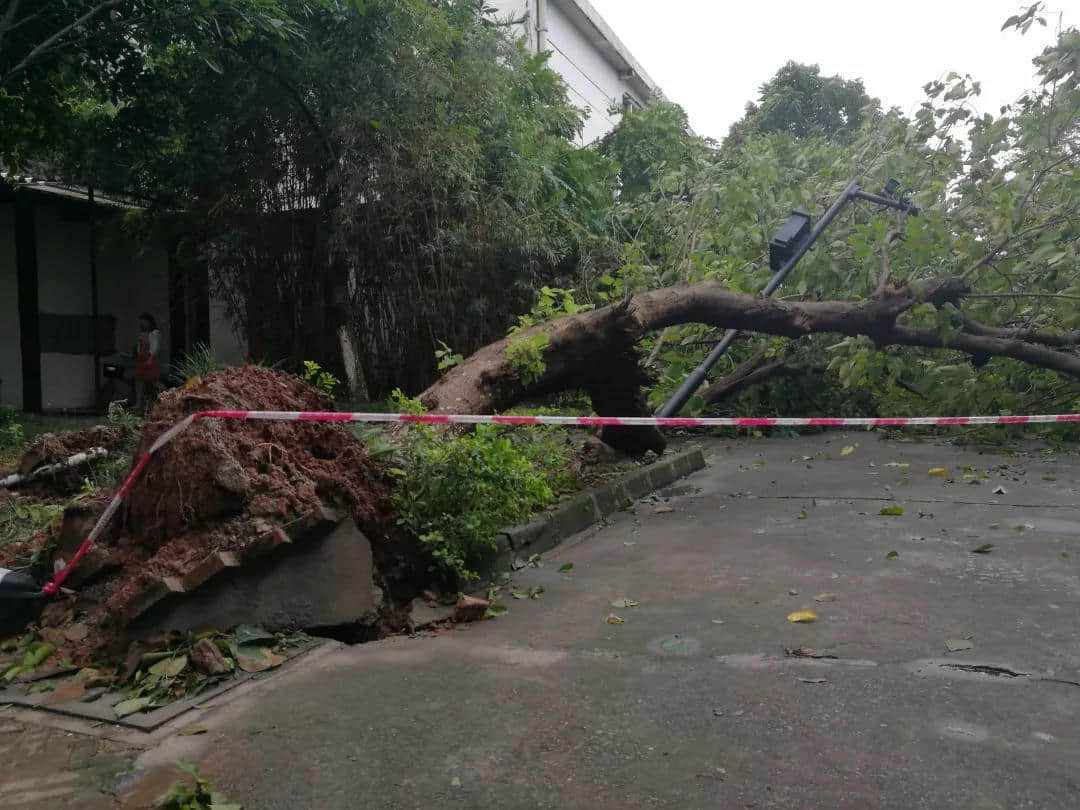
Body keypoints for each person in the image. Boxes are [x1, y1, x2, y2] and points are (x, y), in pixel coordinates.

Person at [133, 312, 161, 413]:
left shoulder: (155, 333)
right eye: (141, 323)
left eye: (144, 322)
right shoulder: (141, 334)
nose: (142, 324)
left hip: (149, 359)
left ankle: (163, 397)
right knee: (139, 381)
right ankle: (138, 403)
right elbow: (139, 347)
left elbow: (155, 347)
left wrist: (150, 359)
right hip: (141, 359)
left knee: (152, 380)